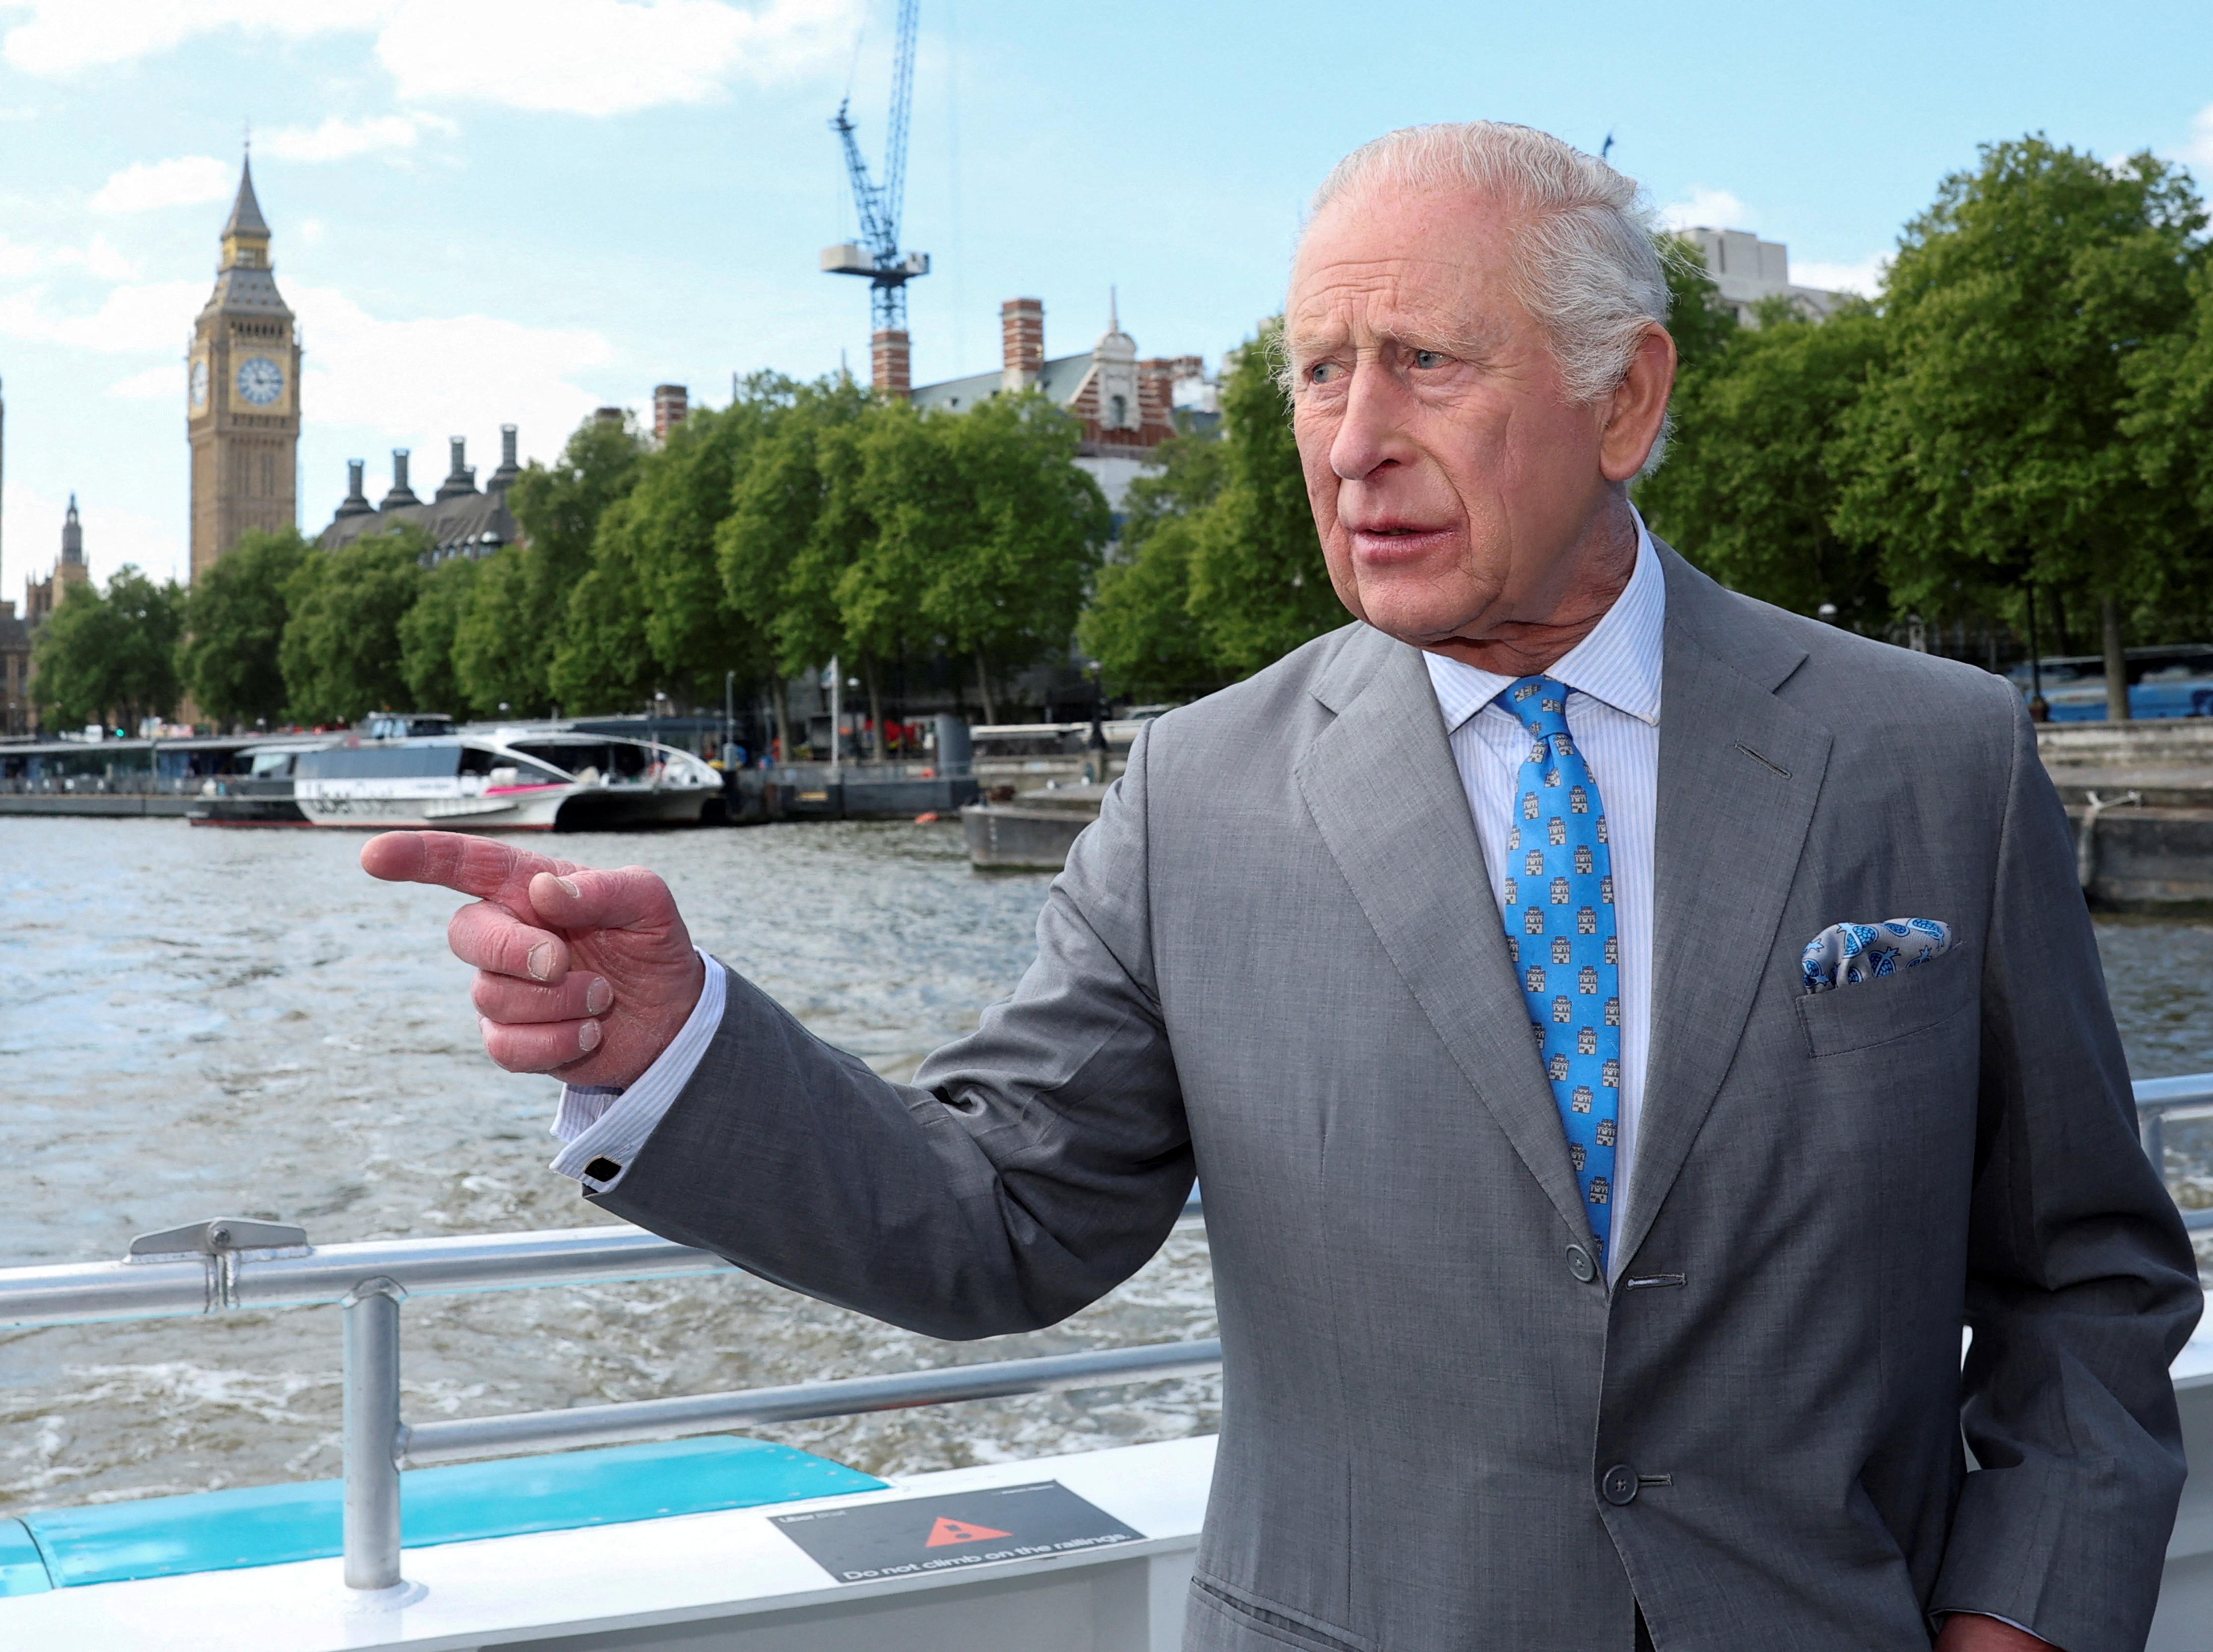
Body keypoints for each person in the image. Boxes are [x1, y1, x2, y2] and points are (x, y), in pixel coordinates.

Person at [363, 123, 2197, 1652]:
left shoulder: (1928, 757)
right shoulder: (1196, 795)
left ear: (1624, 398)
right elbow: (993, 1217)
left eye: (1427, 363)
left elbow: (2087, 1276)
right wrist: (681, 1046)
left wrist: (2017, 1626)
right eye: (1319, 369)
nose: (1350, 438)